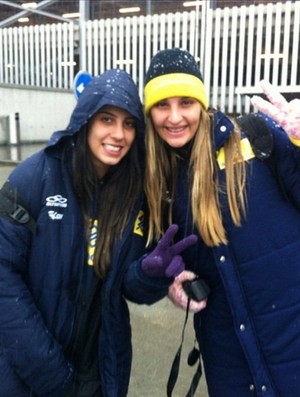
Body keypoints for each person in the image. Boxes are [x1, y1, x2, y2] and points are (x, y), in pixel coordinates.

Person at [0, 68, 197, 397]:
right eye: (107, 119)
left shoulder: (134, 194)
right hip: (31, 373)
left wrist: (150, 275)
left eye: (129, 123)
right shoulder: (35, 177)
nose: (119, 134)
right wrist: (52, 375)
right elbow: (4, 278)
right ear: (85, 120)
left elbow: (130, 289)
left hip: (101, 372)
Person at [143, 47, 300, 397]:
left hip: (290, 349)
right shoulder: (155, 181)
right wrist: (170, 282)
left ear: (202, 103)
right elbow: (145, 263)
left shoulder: (259, 139)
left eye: (186, 102)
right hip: (229, 365)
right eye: (162, 105)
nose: (174, 117)